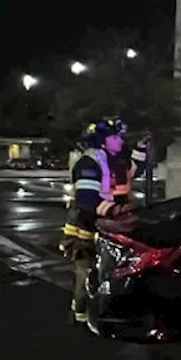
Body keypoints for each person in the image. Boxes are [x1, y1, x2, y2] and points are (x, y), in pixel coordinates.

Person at [60, 117, 132, 324]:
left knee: (101, 271)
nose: (120, 141)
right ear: (103, 140)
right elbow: (87, 201)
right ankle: (81, 316)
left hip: (99, 224)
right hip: (85, 228)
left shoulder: (104, 160)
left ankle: (88, 312)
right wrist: (116, 211)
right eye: (115, 137)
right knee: (87, 271)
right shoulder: (89, 162)